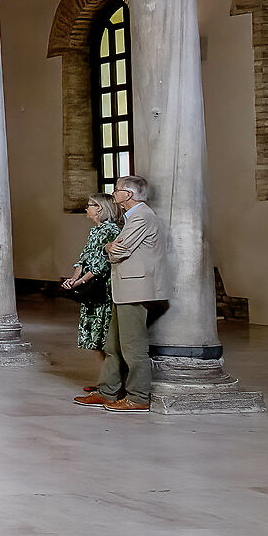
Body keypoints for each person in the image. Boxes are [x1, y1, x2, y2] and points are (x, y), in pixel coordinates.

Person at [80, 175, 159, 411]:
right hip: (123, 288)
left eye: (117, 190)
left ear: (128, 194)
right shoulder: (130, 217)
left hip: (135, 289)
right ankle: (108, 391)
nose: (113, 194)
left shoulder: (142, 216)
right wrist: (110, 247)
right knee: (112, 345)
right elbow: (117, 248)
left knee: (133, 348)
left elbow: (117, 251)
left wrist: (107, 247)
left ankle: (138, 396)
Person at [61, 194, 121, 388]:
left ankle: (111, 384)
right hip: (92, 288)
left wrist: (79, 283)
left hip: (102, 290)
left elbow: (101, 264)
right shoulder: (96, 231)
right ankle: (105, 382)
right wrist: (73, 278)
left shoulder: (110, 230)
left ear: (100, 208)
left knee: (104, 339)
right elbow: (84, 258)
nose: (87, 208)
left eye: (90, 205)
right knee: (96, 340)